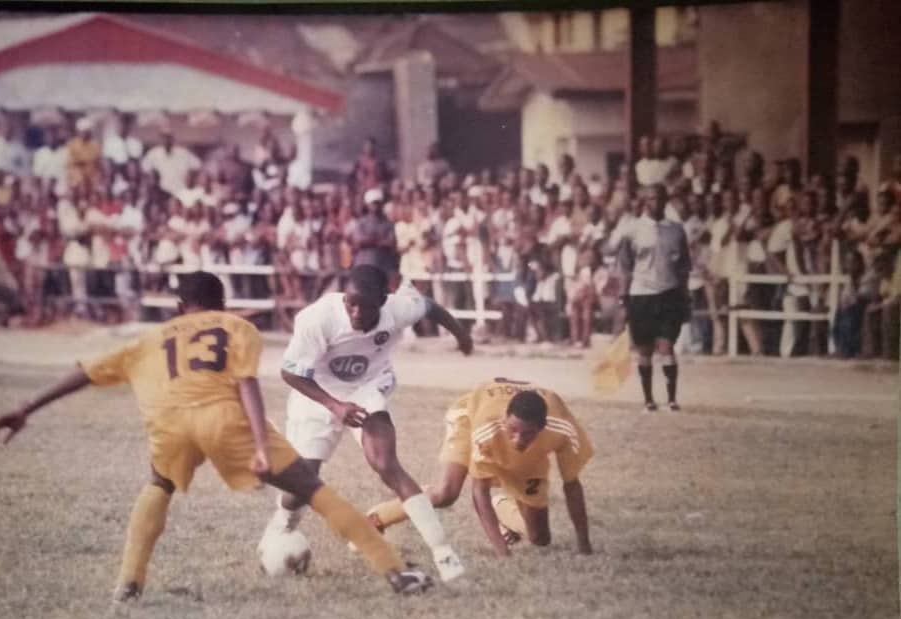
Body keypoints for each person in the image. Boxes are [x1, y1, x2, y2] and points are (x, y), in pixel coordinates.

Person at [0, 272, 432, 601]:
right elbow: (246, 384)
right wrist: (261, 443)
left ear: (179, 306)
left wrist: (25, 409)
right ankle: (395, 574)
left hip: (169, 422)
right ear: (222, 302)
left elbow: (83, 372)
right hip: (224, 421)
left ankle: (128, 582)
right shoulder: (237, 328)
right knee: (311, 488)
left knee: (158, 485)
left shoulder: (151, 337)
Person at [260, 264, 473, 583]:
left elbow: (430, 307)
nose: (356, 311)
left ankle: (444, 554)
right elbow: (290, 372)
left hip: (367, 388)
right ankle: (282, 524)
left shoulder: (399, 308)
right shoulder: (317, 318)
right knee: (304, 481)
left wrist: (462, 335)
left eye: (365, 304)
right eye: (350, 303)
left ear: (384, 300)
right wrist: (334, 405)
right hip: (317, 393)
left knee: (386, 463)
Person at [366, 379, 593, 557]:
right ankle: (377, 517)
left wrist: (584, 545)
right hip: (470, 417)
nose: (517, 440)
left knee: (540, 538)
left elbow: (572, 485)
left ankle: (503, 507)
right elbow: (479, 491)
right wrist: (502, 554)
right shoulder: (487, 427)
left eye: (527, 434)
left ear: (542, 427)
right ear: (506, 418)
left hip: (520, 431)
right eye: (513, 430)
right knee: (446, 493)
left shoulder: (563, 430)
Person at [617, 183, 691, 412]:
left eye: (659, 198)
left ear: (665, 200)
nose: (655, 203)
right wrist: (623, 299)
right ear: (643, 201)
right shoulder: (632, 229)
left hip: (669, 293)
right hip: (642, 294)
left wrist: (685, 296)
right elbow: (625, 266)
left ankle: (671, 398)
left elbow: (684, 266)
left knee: (667, 346)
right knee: (645, 349)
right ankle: (648, 398)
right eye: (650, 199)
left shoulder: (676, 229)